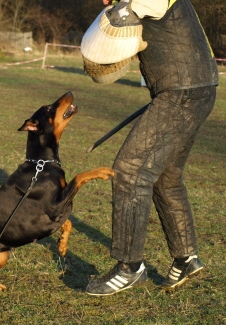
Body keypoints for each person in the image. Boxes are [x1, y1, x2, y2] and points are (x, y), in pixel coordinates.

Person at [85, 0, 219, 295]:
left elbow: (121, 23)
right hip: (196, 90)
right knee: (165, 177)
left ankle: (128, 267)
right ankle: (186, 258)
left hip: (180, 94)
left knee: (130, 171)